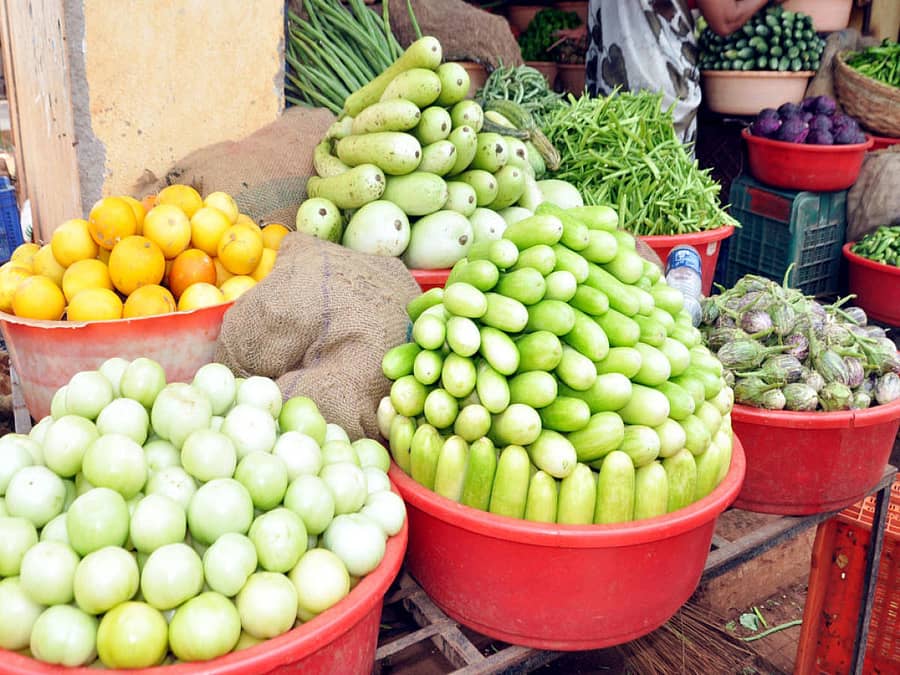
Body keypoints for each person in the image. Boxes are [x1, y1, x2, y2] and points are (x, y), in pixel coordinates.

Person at [559, 0, 778, 147]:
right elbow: (726, 18)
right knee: (662, 193)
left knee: (615, 191)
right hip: (659, 86)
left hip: (609, 88)